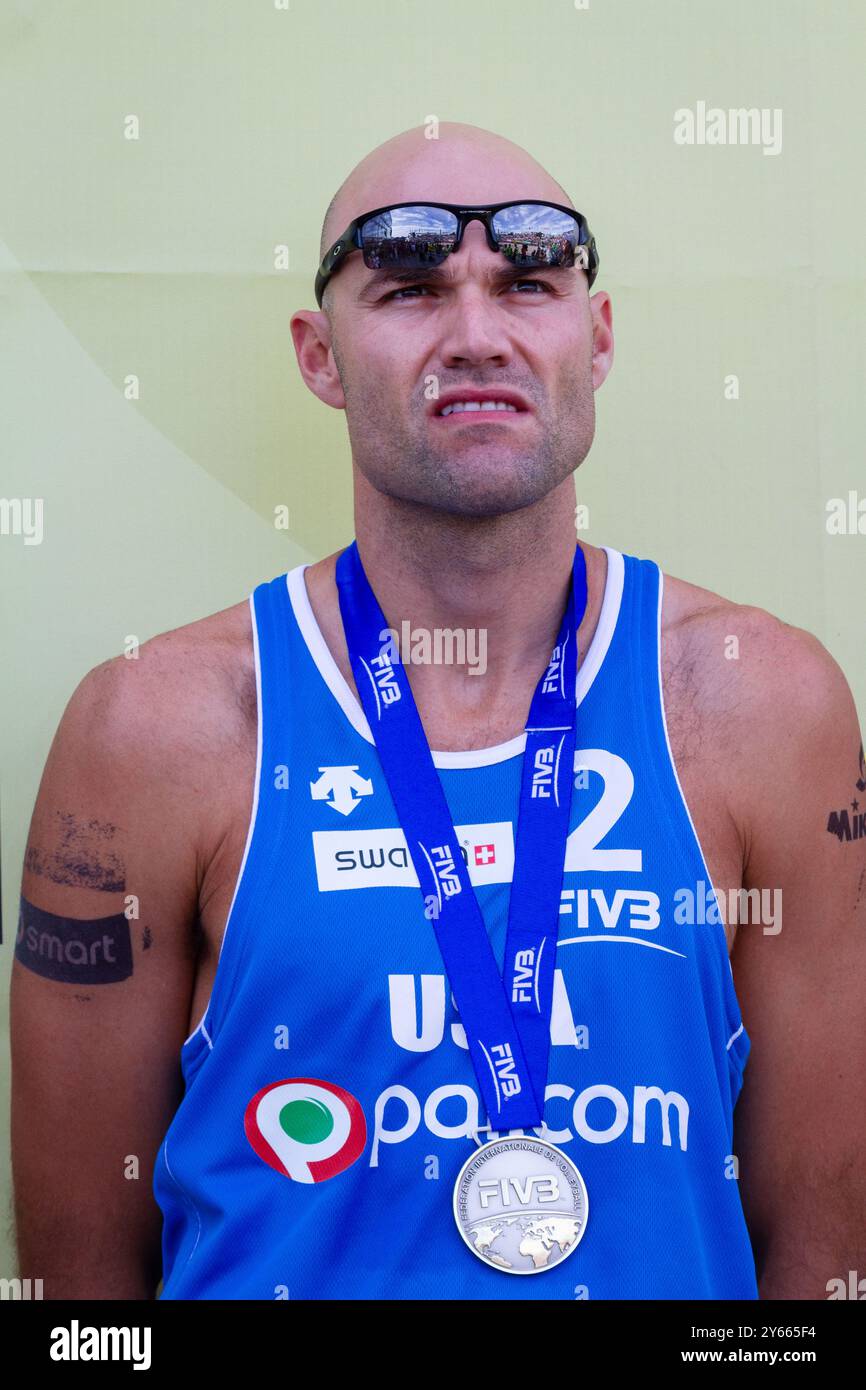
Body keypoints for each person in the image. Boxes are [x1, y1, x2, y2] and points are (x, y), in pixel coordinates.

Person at [10, 122, 865, 1301]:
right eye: (410, 291)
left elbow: (821, 1259)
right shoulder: (157, 731)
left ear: (596, 337)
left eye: (527, 285)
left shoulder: (762, 708)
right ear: (319, 357)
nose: (476, 335)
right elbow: (76, 1297)